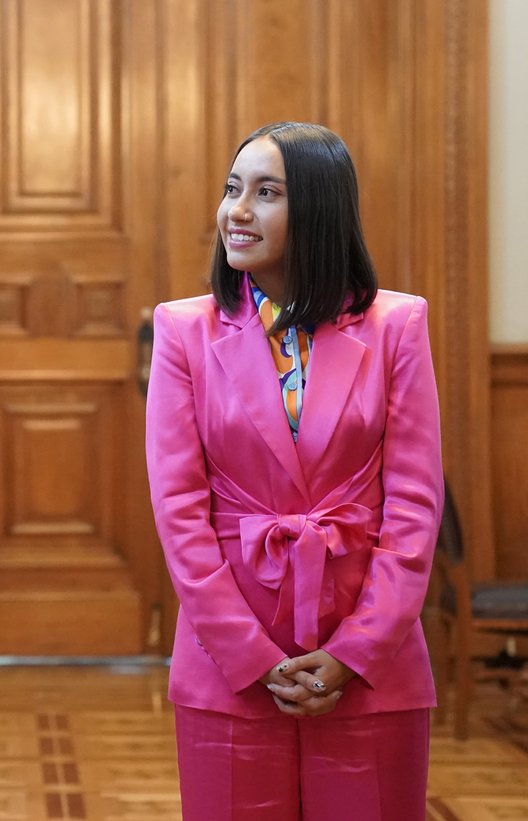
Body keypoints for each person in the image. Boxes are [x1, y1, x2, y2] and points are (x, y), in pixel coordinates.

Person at [144, 122, 442, 820]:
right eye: (232, 188)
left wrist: (356, 651)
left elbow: (415, 505)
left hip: (373, 667)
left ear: (318, 209)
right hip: (229, 668)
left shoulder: (397, 325)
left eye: (266, 192)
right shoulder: (183, 331)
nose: (236, 211)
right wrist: (249, 655)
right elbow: (180, 511)